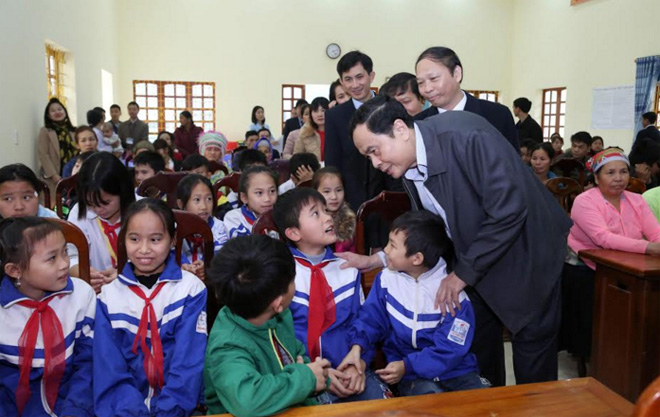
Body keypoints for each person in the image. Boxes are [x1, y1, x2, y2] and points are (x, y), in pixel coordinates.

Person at [346, 96, 572, 387]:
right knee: (480, 349)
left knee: (532, 355)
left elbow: (509, 210)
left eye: (374, 151)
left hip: (527, 253)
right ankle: (489, 402)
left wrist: (462, 274)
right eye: (368, 157)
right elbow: (430, 231)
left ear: (400, 129)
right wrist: (378, 259)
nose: (376, 163)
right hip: (476, 258)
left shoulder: (468, 137)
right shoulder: (409, 162)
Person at [340, 211, 489, 395]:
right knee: (429, 399)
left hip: (456, 371)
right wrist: (358, 346)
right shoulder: (386, 280)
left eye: (392, 245)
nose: (386, 250)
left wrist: (408, 365)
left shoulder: (452, 291)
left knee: (482, 398)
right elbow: (370, 319)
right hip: (409, 373)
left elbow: (451, 348)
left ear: (417, 258)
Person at [272, 188, 391, 403]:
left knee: (383, 405)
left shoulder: (347, 267)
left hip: (349, 370)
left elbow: (364, 321)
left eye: (326, 211)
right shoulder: (280, 274)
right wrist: (313, 374)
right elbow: (277, 336)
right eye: (315, 213)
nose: (328, 217)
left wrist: (360, 362)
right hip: (305, 376)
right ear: (294, 233)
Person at [93, 199, 207, 417]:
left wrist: (168, 412)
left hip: (180, 409)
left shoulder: (190, 290)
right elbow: (109, 369)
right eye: (134, 239)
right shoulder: (108, 297)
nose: (144, 249)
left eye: (155, 239)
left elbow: (188, 363)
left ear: (173, 240)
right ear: (123, 239)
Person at [204, 235, 331, 416]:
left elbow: (296, 354)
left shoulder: (279, 316)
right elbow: (248, 401)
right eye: (293, 280)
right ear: (278, 303)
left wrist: (316, 374)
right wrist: (305, 378)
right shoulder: (227, 345)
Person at [563, 148, 660, 365]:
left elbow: (655, 233)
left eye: (623, 172)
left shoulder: (637, 200)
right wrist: (649, 248)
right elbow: (603, 239)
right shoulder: (584, 201)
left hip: (628, 264)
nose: (618, 178)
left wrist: (656, 245)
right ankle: (595, 355)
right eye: (610, 172)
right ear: (596, 178)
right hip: (588, 268)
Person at [0, 217, 95, 417]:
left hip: (73, 404)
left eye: (65, 252)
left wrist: (75, 410)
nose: (64, 264)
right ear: (15, 270)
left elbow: (88, 362)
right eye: (52, 258)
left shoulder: (81, 295)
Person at [414, 47, 518, 150]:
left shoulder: (498, 115)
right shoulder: (418, 124)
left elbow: (512, 159)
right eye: (420, 83)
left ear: (457, 74)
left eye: (433, 78)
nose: (427, 89)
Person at [68, 152, 136, 292]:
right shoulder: (79, 212)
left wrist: (129, 273)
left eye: (106, 202)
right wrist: (82, 273)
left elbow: (160, 255)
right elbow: (71, 255)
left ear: (122, 191)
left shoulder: (144, 211)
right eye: (90, 203)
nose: (98, 210)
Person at [177, 174, 228, 277]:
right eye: (197, 200)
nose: (204, 206)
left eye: (209, 199)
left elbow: (222, 254)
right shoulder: (174, 227)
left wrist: (208, 265)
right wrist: (183, 264)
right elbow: (169, 252)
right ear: (181, 204)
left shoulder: (219, 226)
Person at [37, 98, 77, 201]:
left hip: (72, 174)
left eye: (60, 109)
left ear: (65, 111)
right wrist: (53, 175)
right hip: (54, 176)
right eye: (53, 111)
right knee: (55, 204)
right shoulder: (46, 131)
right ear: (48, 115)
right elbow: (43, 154)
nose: (57, 112)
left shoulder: (74, 131)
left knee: (72, 202)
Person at [224, 165, 278, 238]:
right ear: (244, 197)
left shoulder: (282, 215)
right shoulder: (234, 218)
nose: (267, 199)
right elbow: (245, 244)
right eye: (259, 193)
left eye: (272, 191)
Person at [313, 167, 356, 253]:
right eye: (327, 191)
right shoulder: (311, 220)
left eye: (339, 190)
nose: (334, 197)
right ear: (315, 192)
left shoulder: (349, 219)